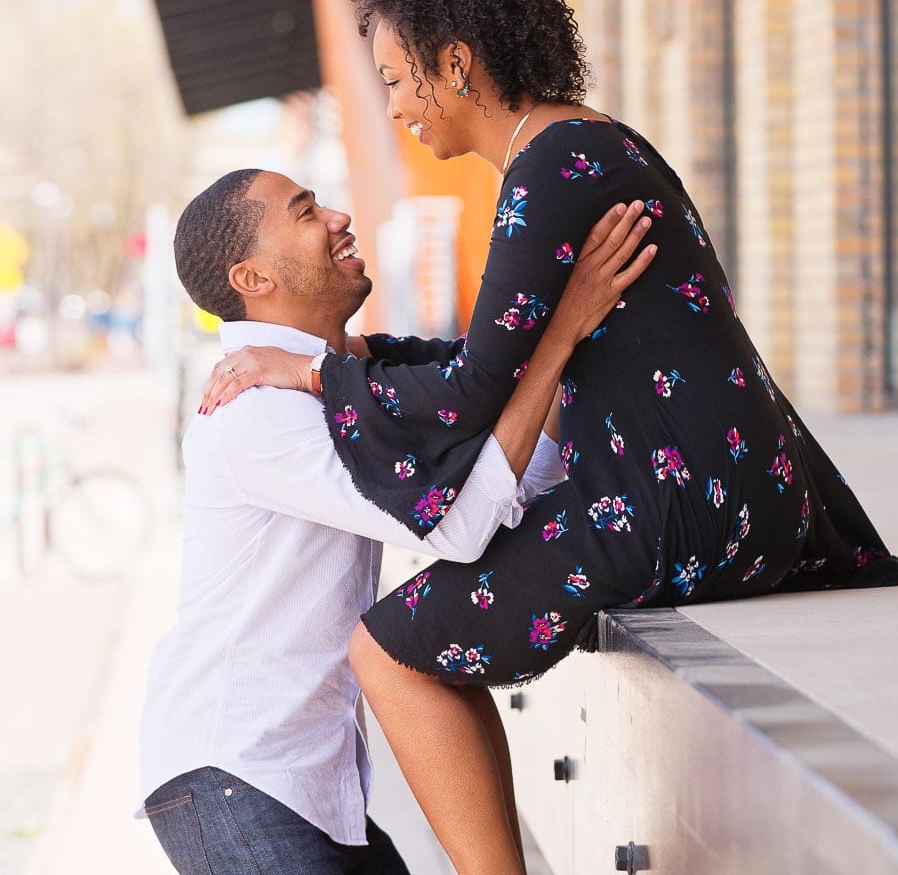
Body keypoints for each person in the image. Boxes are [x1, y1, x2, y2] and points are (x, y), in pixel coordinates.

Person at [200, 0, 898, 875]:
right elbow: (496, 357)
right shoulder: (583, 147)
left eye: (400, 79)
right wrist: (370, 353)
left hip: (677, 508)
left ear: (456, 63)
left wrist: (319, 373)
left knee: (386, 653)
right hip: (734, 492)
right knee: (430, 614)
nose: (399, 107)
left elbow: (472, 390)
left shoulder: (551, 169)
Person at [140, 167, 656, 875]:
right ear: (253, 277)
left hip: (294, 782)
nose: (337, 217)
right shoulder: (256, 413)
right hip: (235, 777)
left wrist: (568, 350)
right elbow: (462, 528)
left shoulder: (330, 380)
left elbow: (513, 477)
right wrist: (560, 335)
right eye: (304, 212)